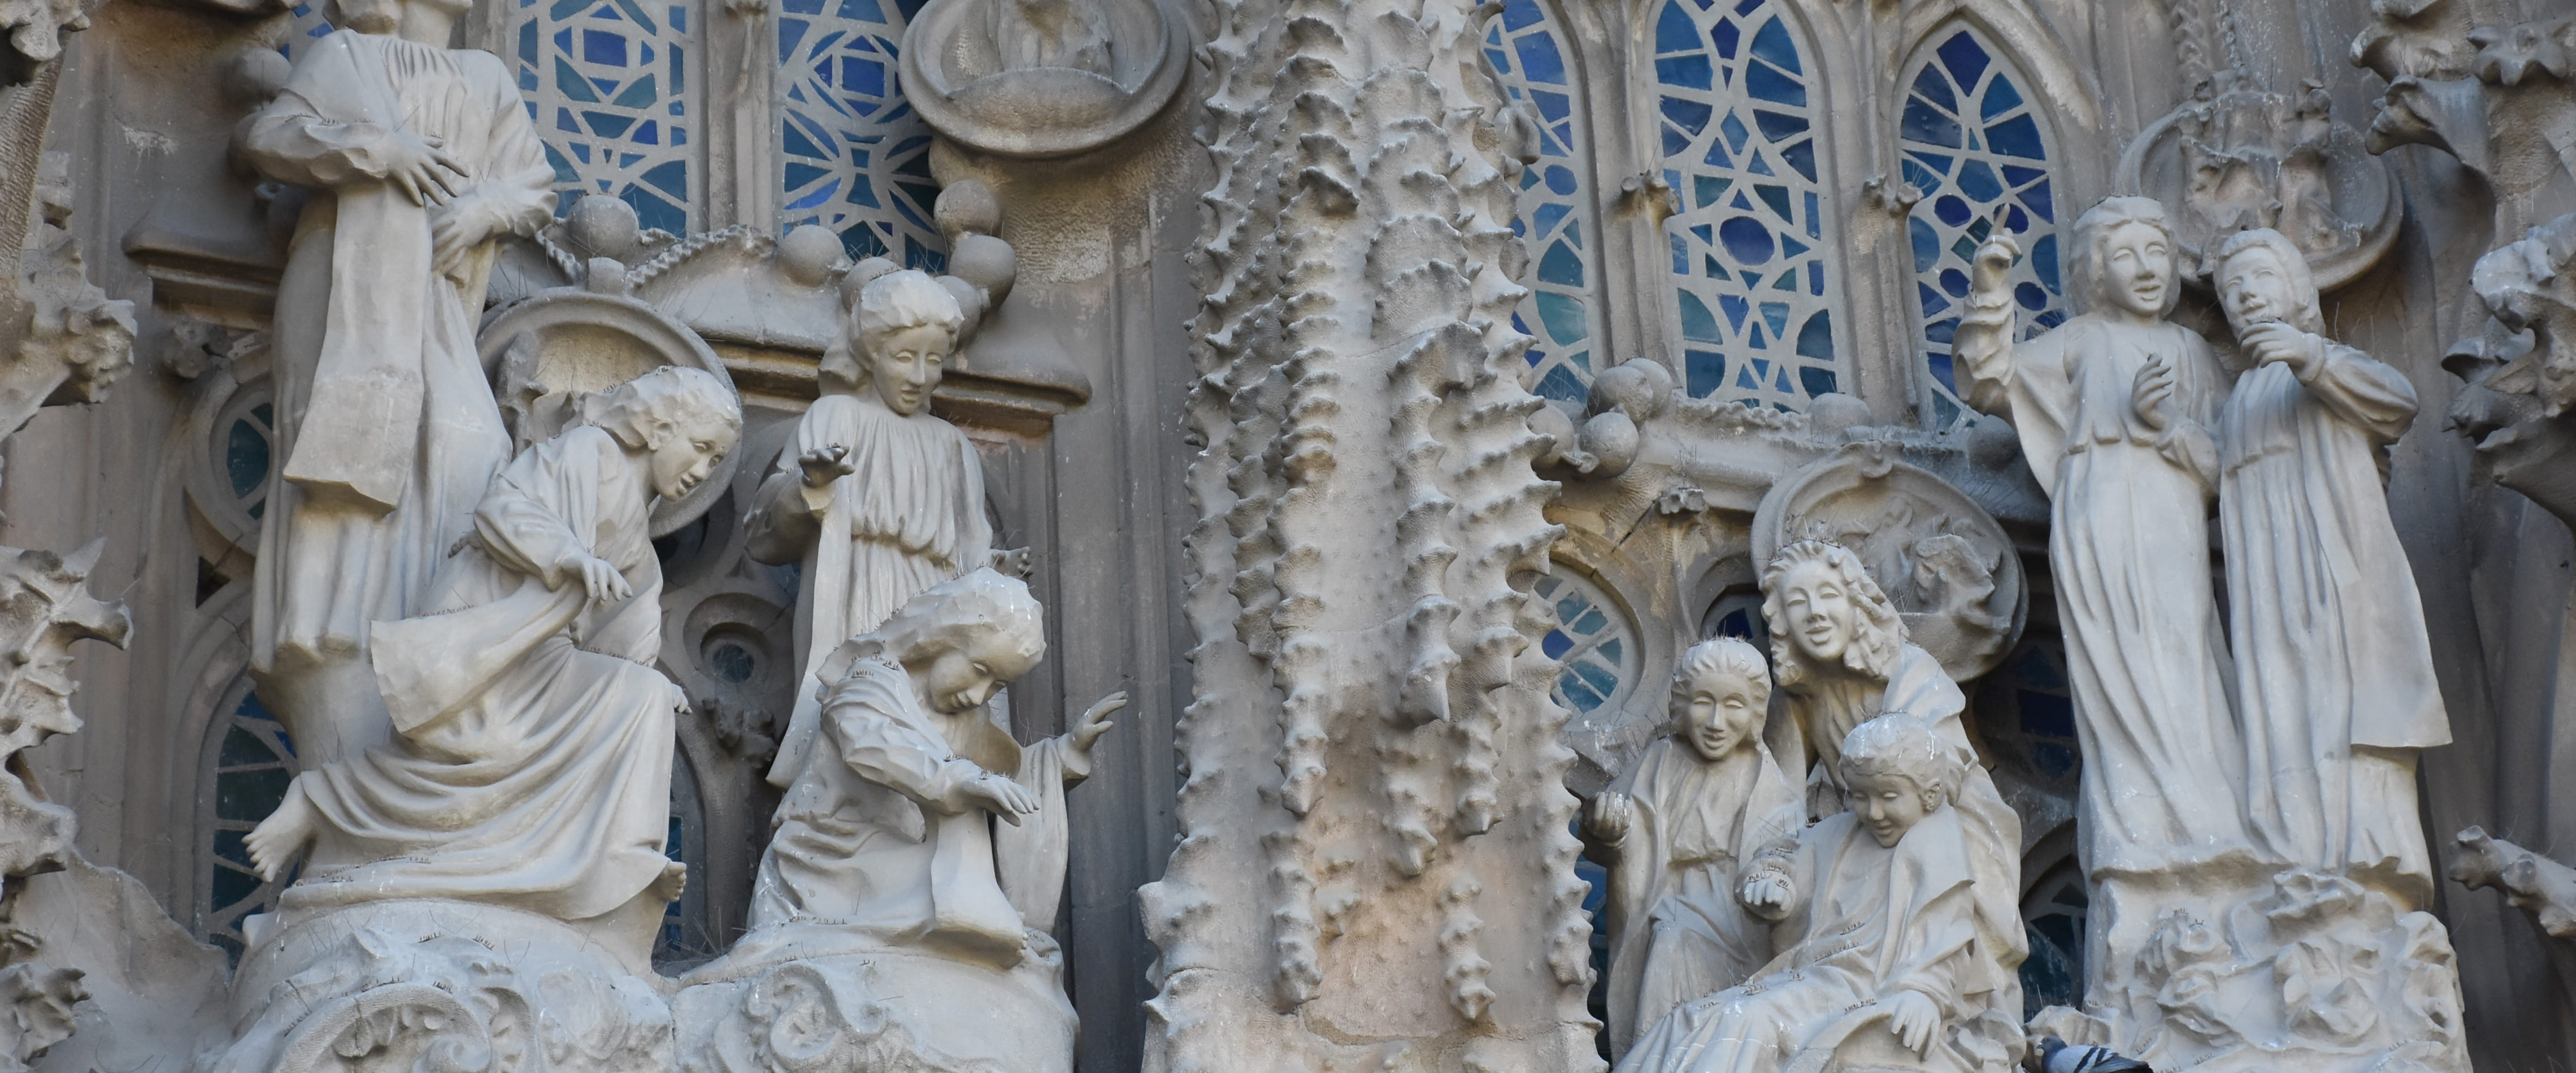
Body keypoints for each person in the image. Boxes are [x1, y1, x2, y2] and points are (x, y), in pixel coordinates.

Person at [243, 367, 740, 946]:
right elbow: (505, 507)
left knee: (645, 699)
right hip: (485, 626)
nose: (702, 471)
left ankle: (625, 859)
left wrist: (641, 676)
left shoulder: (639, 534)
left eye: (715, 461)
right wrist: (566, 556)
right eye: (701, 448)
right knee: (482, 746)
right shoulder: (587, 453)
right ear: (658, 427)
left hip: (541, 650)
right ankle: (323, 799)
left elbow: (630, 623)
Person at [239, 0, 559, 766]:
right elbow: (268, 136)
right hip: (346, 293)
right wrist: (377, 150)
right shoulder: (347, 54)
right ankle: (337, 633)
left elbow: (535, 185)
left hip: (441, 304)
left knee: (471, 451)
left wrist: (484, 207)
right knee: (349, 458)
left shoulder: (485, 77)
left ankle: (433, 641)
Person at [1955, 198, 2256, 989]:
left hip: (2171, 518)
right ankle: (2146, 831)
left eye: (2159, 252)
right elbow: (1990, 379)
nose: (2149, 268)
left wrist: (2165, 427)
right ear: (2096, 273)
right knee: (2121, 672)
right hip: (2097, 516)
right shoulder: (2083, 341)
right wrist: (1993, 287)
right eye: (2128, 255)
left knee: (2186, 663)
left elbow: (2235, 465)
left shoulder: (2192, 350)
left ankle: (2211, 827)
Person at [2212, 228, 2451, 908]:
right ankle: (2293, 851)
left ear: (2297, 290)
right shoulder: (2237, 402)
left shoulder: (2325, 364)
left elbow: (2397, 403)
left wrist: (2310, 357)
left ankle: (2368, 853)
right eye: (2232, 289)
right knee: (2277, 703)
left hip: (2331, 569)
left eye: (2259, 277)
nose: (2244, 294)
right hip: (2264, 585)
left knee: (2342, 696)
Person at [749, 569, 1124, 969]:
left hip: (900, 855)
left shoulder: (967, 719)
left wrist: (1064, 753)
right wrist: (960, 781)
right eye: (980, 670)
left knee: (968, 822)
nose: (979, 695)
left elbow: (1008, 774)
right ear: (942, 637)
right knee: (963, 820)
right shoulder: (868, 680)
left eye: (997, 686)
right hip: (829, 860)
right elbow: (875, 745)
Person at [1758, 539, 2023, 1056]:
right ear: (1781, 625)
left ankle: (1932, 993)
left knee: (1914, 824)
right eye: (1797, 603)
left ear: (1858, 604)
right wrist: (1776, 866)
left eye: (1828, 595)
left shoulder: (1910, 669)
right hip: (1864, 829)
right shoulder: (1801, 698)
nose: (1814, 613)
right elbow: (1778, 803)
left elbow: (1933, 776)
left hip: (1944, 823)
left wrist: (1874, 788)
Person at [745, 269, 1004, 796]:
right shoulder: (834, 416)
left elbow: (973, 538)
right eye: (903, 357)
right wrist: (807, 489)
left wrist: (995, 581)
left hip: (932, 606)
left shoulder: (951, 445)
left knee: (936, 736)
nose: (919, 376)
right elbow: (764, 530)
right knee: (858, 727)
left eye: (933, 360)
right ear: (870, 354)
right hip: (857, 596)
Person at [1614, 715, 1995, 1073]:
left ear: (1928, 795)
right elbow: (1784, 857)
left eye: (1889, 796)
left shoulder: (1937, 851)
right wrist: (1772, 885)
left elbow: (1946, 940)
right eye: (1861, 796)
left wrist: (1923, 994)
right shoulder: (1841, 832)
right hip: (1811, 980)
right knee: (1688, 1019)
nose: (1874, 812)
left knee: (1749, 1021)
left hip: (1862, 994)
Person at [1584, 638, 1803, 1057]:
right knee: (1672, 941)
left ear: (1757, 711)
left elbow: (1786, 852)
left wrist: (1774, 883)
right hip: (1667, 907)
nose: (1717, 722)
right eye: (1704, 702)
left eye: (1735, 705)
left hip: (1739, 921)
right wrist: (1608, 830)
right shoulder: (1661, 762)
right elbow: (1613, 834)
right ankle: (1657, 1060)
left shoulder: (1765, 779)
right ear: (1680, 705)